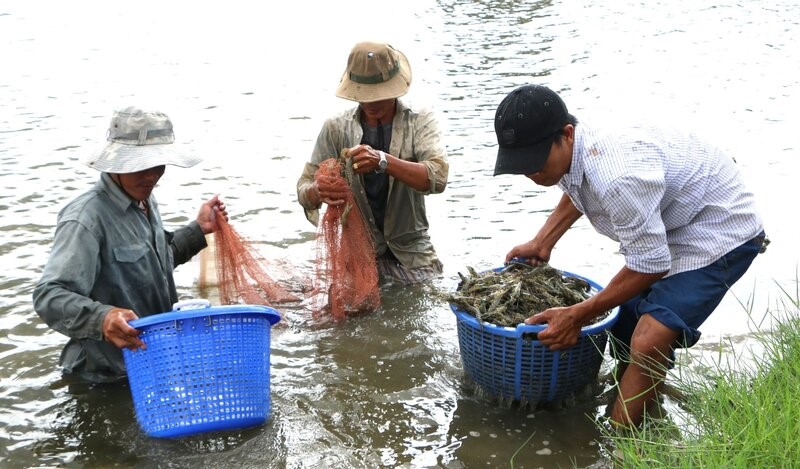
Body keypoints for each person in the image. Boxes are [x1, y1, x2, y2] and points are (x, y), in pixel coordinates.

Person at [493, 84, 767, 428]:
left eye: (535, 161)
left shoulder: (617, 177)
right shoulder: (576, 152)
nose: (530, 173)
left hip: (719, 228)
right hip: (674, 217)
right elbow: (579, 189)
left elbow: (651, 265)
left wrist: (577, 314)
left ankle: (621, 442)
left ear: (565, 134)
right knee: (625, 323)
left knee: (649, 337)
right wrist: (543, 241)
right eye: (521, 164)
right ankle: (642, 398)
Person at [33, 106, 228, 384]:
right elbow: (48, 296)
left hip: (149, 362)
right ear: (115, 164)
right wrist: (103, 318)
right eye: (140, 166)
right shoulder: (86, 218)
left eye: (157, 165)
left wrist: (198, 230)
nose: (151, 176)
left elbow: (154, 265)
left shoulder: (144, 200)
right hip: (102, 376)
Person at [296, 41, 449, 285]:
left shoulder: (419, 121)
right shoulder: (336, 128)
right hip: (357, 257)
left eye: (379, 94)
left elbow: (437, 178)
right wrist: (319, 190)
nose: (371, 103)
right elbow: (304, 189)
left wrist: (383, 160)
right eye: (365, 95)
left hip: (412, 255)